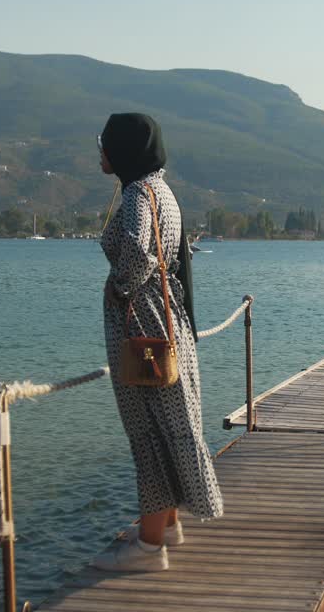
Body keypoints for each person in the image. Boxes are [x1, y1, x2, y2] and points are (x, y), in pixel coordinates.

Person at [92, 112, 223, 572]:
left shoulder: (135, 195)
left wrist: (119, 288)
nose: (101, 151)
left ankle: (149, 549)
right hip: (166, 321)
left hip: (142, 324)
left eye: (106, 144)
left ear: (125, 150)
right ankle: (166, 525)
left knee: (147, 428)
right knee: (167, 422)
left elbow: (136, 252)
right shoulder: (161, 190)